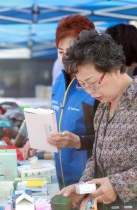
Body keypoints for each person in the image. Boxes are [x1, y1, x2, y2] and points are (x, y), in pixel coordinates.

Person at [60, 29, 137, 209]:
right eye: (83, 85)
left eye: (92, 82)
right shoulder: (104, 104)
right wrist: (82, 189)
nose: (90, 91)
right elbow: (96, 157)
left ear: (114, 68)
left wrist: (118, 185)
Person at [22, 14, 99, 189]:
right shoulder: (59, 81)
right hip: (63, 178)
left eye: (70, 52)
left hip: (91, 182)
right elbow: (57, 123)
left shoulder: (97, 86)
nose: (65, 58)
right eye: (60, 52)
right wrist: (39, 140)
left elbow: (112, 140)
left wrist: (78, 141)